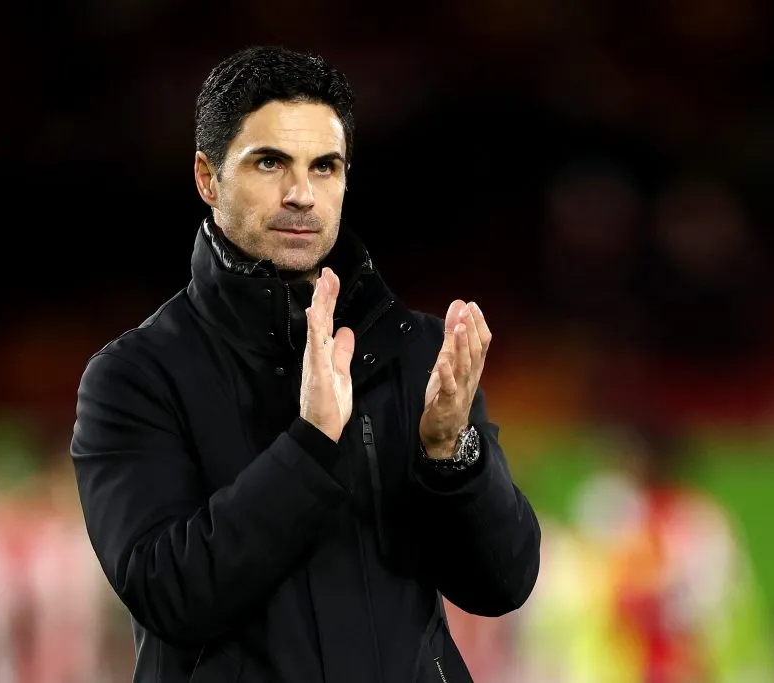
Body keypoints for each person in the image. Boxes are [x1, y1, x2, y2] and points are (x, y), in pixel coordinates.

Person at [70, 45, 541, 683]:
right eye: (270, 163)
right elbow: (169, 594)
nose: (301, 194)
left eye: (325, 167)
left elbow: (502, 584)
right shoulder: (134, 376)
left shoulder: (412, 349)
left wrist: (451, 455)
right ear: (208, 178)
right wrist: (312, 447)